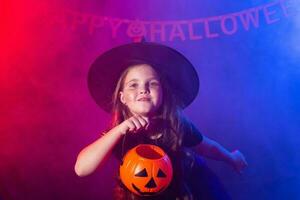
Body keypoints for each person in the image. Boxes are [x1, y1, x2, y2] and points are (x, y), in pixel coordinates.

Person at [74, 42, 248, 199]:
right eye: (133, 85)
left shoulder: (175, 124)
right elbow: (81, 169)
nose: (144, 90)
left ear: (163, 94)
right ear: (122, 97)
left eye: (152, 84)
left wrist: (231, 158)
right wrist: (119, 130)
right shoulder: (119, 133)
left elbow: (206, 147)